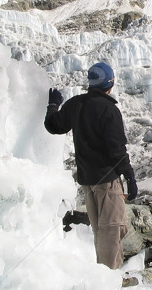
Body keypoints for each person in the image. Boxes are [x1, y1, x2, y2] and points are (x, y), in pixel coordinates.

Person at [44, 62, 138, 270]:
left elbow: (53, 126)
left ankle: (111, 277)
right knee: (111, 231)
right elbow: (117, 150)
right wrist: (129, 177)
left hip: (87, 182)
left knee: (100, 231)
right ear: (109, 83)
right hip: (107, 182)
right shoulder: (109, 110)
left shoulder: (76, 104)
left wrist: (52, 106)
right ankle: (109, 280)